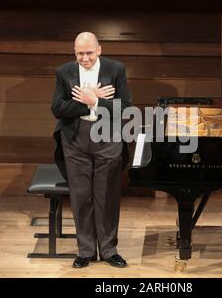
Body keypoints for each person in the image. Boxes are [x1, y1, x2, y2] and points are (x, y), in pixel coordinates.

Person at [51, 32, 132, 268]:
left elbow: (126, 108)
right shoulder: (64, 72)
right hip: (76, 137)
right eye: (79, 53)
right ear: (74, 51)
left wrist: (97, 102)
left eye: (89, 53)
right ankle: (86, 251)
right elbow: (57, 108)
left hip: (107, 136)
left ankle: (109, 250)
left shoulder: (116, 69)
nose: (84, 58)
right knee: (80, 194)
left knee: (106, 194)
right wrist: (87, 100)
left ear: (99, 49)